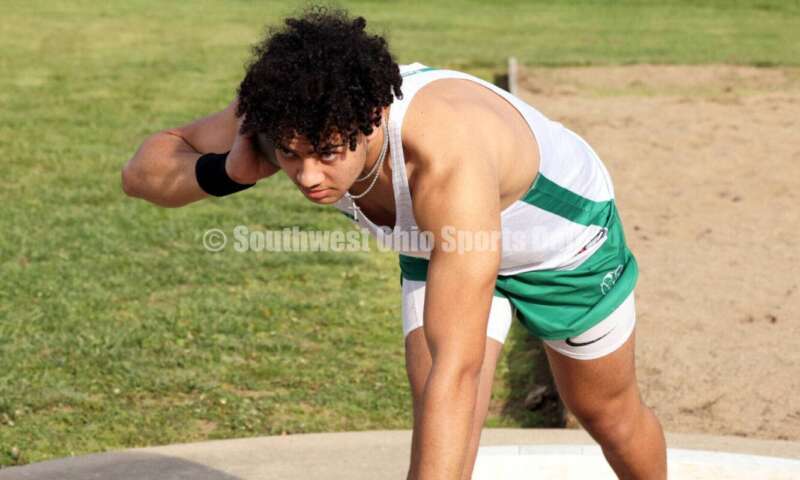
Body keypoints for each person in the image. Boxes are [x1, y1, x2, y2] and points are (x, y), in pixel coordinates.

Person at [121, 7, 666, 480]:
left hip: (560, 241)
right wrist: (226, 171)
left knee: (605, 413)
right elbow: (141, 172)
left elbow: (461, 367)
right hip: (441, 242)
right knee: (440, 416)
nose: (308, 176)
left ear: (372, 119)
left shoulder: (440, 154)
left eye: (328, 153)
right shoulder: (286, 113)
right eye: (290, 154)